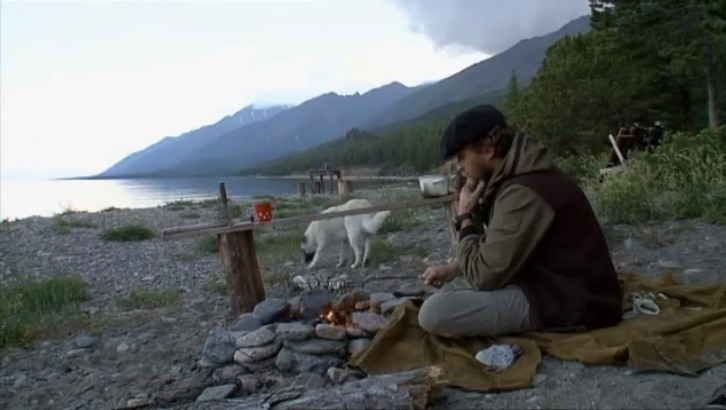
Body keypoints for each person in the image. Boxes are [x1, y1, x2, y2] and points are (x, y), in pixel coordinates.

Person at [417, 104, 623, 338]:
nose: (459, 166)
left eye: (461, 156)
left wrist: (464, 217)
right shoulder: (520, 177)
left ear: (486, 148)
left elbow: (483, 278)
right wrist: (454, 268)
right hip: (557, 285)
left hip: (570, 302)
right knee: (449, 299)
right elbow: (504, 244)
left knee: (434, 313)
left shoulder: (524, 192)